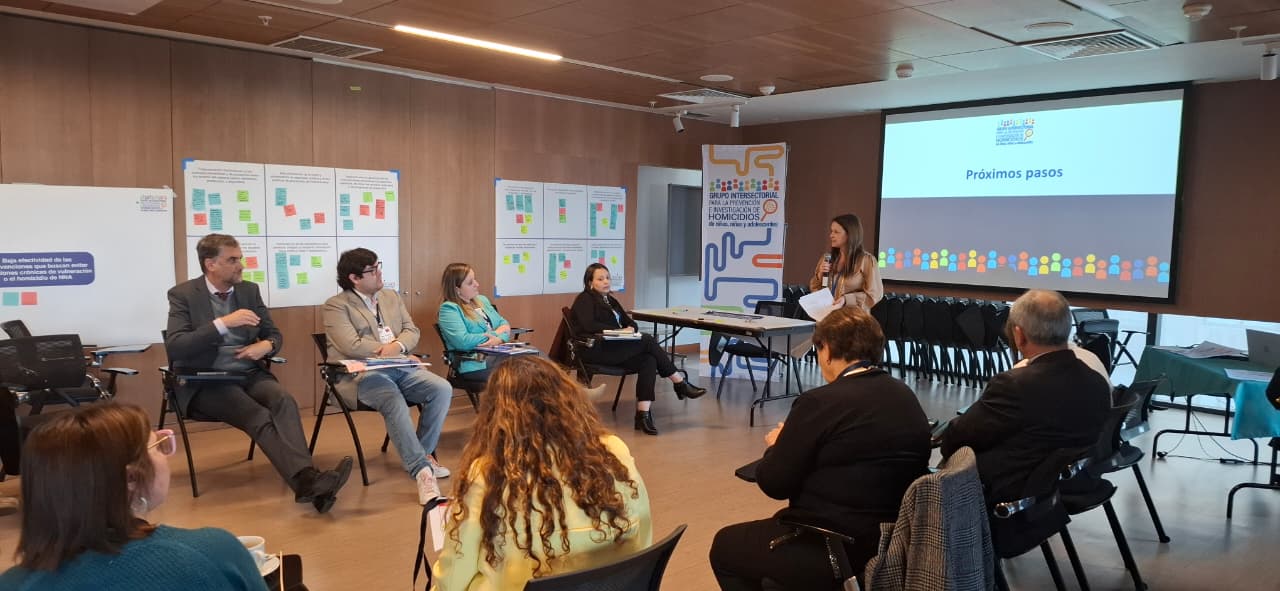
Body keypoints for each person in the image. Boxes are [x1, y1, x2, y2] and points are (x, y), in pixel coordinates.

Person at [710, 307, 932, 591]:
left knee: (725, 547)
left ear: (826, 350)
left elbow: (774, 483)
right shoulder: (904, 395)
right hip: (892, 544)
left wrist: (778, 444)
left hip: (833, 547)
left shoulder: (819, 402)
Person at [165, 233, 351, 513]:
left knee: (284, 401)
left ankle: (309, 484)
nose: (241, 265)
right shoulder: (183, 295)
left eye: (240, 258)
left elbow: (273, 333)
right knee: (258, 415)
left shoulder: (248, 291)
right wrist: (223, 323)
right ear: (210, 264)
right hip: (206, 380)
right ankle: (309, 482)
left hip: (248, 373)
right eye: (232, 260)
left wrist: (267, 346)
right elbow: (177, 346)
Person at [432, 356, 652, 590]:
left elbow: (453, 580)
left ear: (495, 414)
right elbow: (644, 540)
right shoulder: (613, 450)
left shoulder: (489, 473)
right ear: (569, 401)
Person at [0, 402, 269, 590]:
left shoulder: (10, 584)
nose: (166, 455)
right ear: (130, 478)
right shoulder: (213, 552)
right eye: (159, 445)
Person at [940, 290, 1111, 505]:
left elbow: (958, 438)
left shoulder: (1014, 385)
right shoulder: (1096, 381)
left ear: (1019, 335)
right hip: (1068, 484)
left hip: (1010, 491)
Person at [324, 248, 454, 505]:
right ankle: (422, 472)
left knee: (441, 388)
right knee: (392, 398)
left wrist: (399, 347)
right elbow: (350, 344)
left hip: (398, 367)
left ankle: (421, 455)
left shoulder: (391, 296)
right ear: (354, 278)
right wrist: (388, 350)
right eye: (372, 270)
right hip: (359, 376)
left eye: (378, 266)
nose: (379, 273)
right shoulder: (336, 306)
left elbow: (411, 330)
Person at [570, 263, 706, 435]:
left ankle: (643, 415)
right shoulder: (584, 300)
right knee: (647, 340)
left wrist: (629, 329)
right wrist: (618, 330)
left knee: (649, 360)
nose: (606, 282)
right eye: (600, 279)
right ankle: (679, 383)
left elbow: (631, 322)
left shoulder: (610, 300)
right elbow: (588, 325)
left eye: (608, 278)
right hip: (595, 350)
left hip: (615, 348)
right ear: (590, 283)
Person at [437, 262, 514, 386]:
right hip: (476, 362)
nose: (476, 284)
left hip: (497, 353)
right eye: (470, 282)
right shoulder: (449, 309)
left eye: (475, 279)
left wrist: (499, 340)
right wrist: (496, 334)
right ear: (457, 289)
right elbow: (463, 341)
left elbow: (504, 324)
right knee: (524, 368)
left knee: (535, 359)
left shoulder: (482, 300)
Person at [809, 213, 883, 312]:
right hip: (828, 316)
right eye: (831, 231)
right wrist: (820, 275)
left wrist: (846, 300)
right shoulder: (827, 258)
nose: (831, 235)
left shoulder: (866, 260)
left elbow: (875, 294)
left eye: (836, 232)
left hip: (852, 318)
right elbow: (814, 289)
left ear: (849, 234)